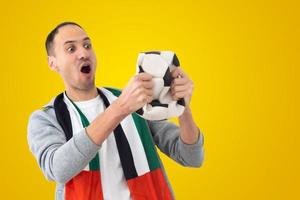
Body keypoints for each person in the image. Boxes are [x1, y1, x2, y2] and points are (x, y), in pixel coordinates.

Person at [27, 22, 204, 200]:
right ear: (53, 63)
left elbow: (191, 157)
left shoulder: (133, 100)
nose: (83, 53)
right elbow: (58, 169)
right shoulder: (45, 118)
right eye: (71, 49)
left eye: (87, 45)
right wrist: (120, 108)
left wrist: (182, 107)